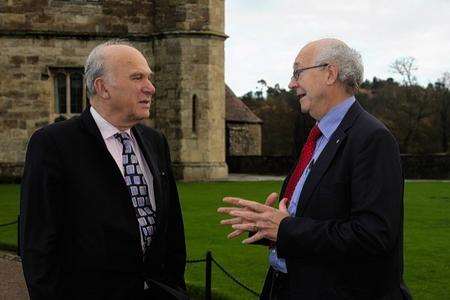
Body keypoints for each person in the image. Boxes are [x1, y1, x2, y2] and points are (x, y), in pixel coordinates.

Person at [218, 38, 411, 300]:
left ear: (330, 73)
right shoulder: (317, 136)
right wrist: (268, 226)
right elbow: (313, 218)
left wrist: (285, 229)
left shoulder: (372, 138)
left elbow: (373, 236)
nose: (291, 83)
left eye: (298, 72)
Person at [20, 40, 186, 300]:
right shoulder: (53, 144)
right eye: (137, 77)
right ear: (102, 87)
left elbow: (172, 229)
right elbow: (37, 244)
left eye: (149, 78)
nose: (150, 88)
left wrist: (176, 290)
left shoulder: (155, 142)